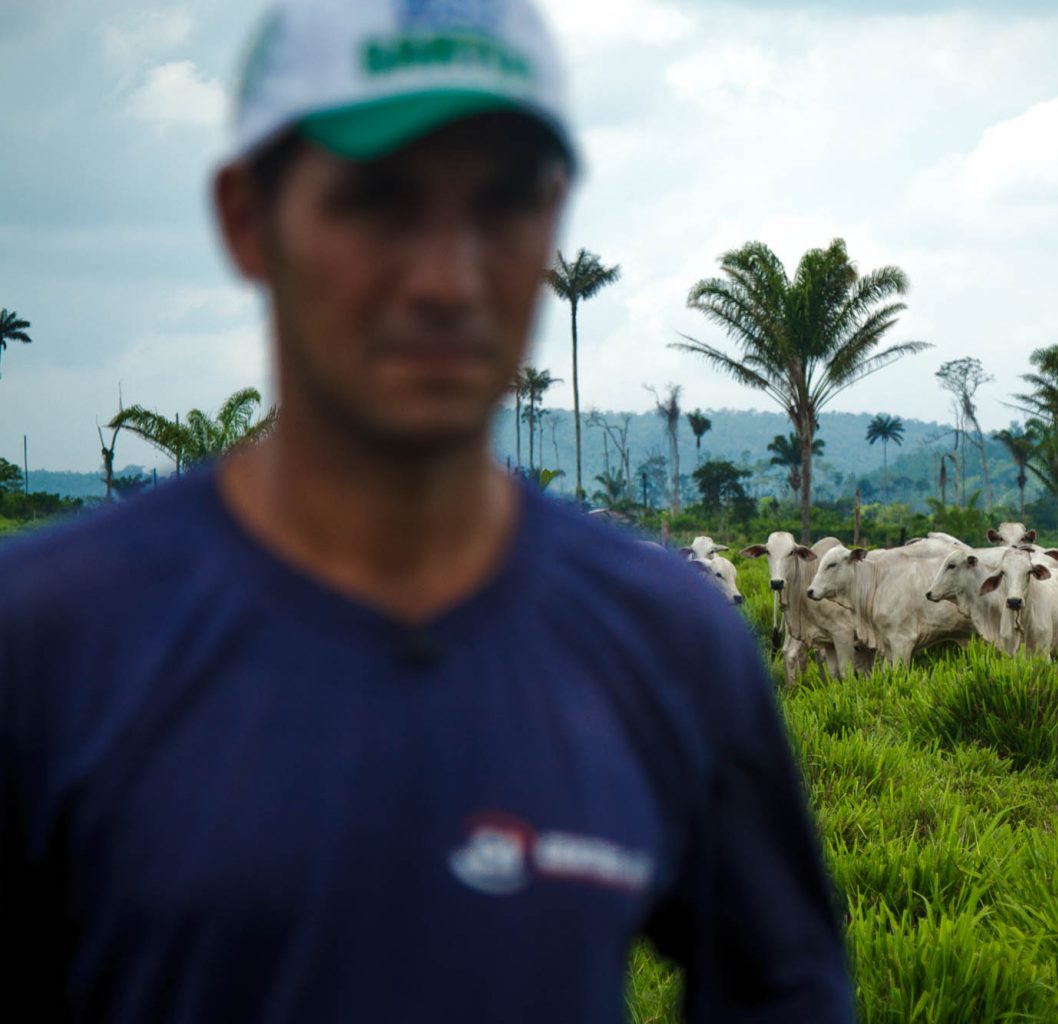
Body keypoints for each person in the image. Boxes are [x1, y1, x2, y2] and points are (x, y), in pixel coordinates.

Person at [0, 1, 851, 1020]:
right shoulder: (44, 641)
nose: (448, 280)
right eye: (379, 201)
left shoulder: (670, 641)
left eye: (503, 204)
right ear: (246, 219)